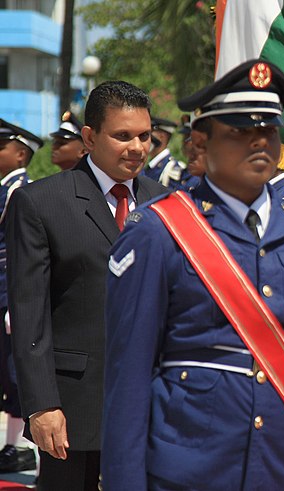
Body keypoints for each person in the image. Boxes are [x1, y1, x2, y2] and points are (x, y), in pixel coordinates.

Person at [101, 59, 284, 490]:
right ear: (199, 145)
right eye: (240, 131)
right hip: (186, 471)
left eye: (268, 130)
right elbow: (127, 380)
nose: (258, 142)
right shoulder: (159, 231)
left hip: (280, 468)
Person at [6, 81, 167, 490]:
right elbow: (30, 313)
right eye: (123, 136)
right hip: (74, 406)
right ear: (90, 137)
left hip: (152, 401)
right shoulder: (41, 202)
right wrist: (41, 404)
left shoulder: (166, 202)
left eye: (145, 136)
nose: (137, 147)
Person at [0, 120, 41, 473]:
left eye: (2, 148)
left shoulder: (19, 191)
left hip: (6, 295)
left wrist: (15, 302)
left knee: (14, 373)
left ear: (20, 154)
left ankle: (20, 447)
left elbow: (17, 252)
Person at [143, 116, 189, 189]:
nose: (144, 139)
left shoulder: (172, 169)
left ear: (161, 136)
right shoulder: (149, 166)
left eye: (149, 133)